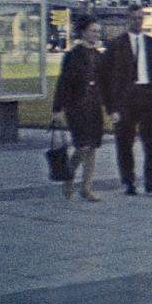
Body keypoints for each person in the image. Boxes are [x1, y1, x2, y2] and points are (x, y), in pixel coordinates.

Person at [99, 4, 152, 197]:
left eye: (140, 18)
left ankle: (151, 182)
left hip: (146, 96)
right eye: (134, 18)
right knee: (124, 143)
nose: (138, 22)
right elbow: (104, 76)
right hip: (125, 100)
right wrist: (111, 107)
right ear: (127, 20)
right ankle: (128, 181)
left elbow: (150, 72)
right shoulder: (116, 45)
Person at [52, 15, 105, 202]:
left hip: (94, 107)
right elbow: (63, 83)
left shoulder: (100, 56)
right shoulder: (72, 56)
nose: (96, 34)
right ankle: (68, 177)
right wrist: (57, 109)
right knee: (82, 146)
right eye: (93, 31)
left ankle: (86, 187)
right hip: (76, 107)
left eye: (98, 31)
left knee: (92, 148)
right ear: (83, 32)